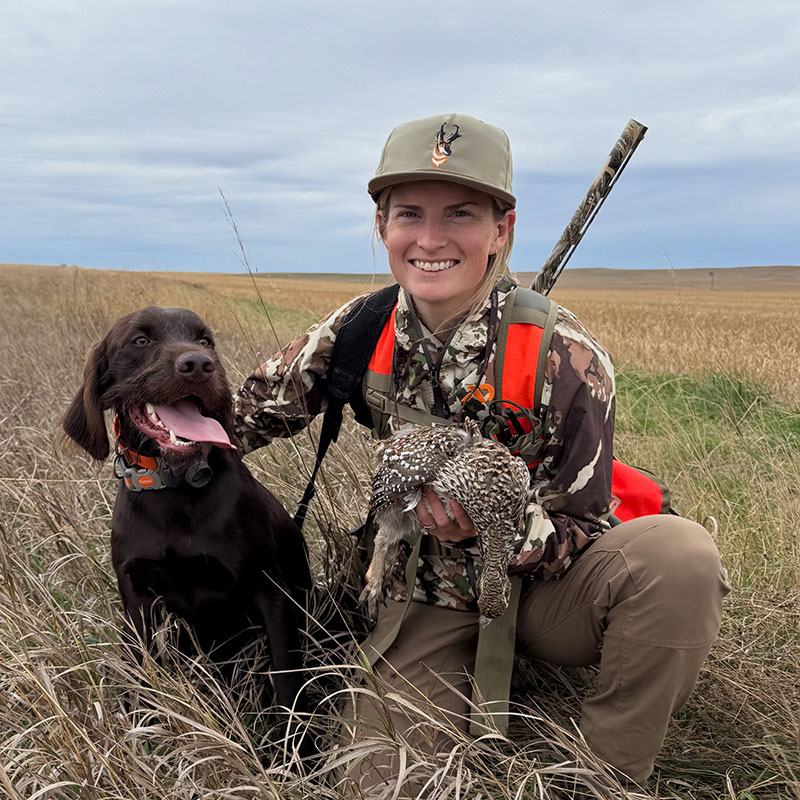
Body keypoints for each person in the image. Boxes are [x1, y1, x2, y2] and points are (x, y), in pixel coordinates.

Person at [233, 113, 729, 788]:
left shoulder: (566, 356)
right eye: (409, 214)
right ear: (382, 226)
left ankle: (607, 776)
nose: (430, 239)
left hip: (545, 595)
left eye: (460, 214)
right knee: (380, 783)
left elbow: (585, 525)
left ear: (502, 230)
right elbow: (247, 414)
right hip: (425, 593)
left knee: (680, 557)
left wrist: (493, 520)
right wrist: (154, 439)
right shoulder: (361, 330)